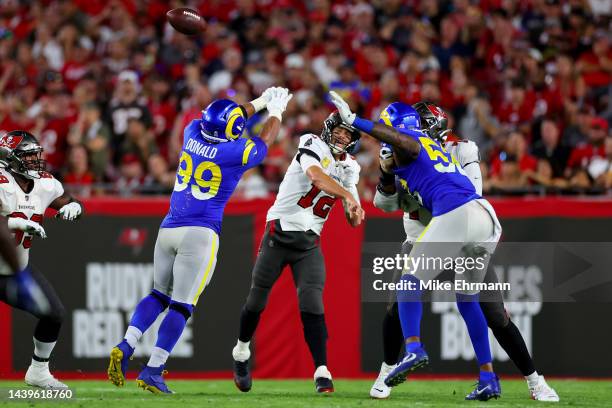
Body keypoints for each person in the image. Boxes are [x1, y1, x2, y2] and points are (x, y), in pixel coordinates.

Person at [108, 87, 293, 394]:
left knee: (157, 295)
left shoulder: (191, 131)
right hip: (200, 233)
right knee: (182, 305)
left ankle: (126, 344)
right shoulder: (234, 153)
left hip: (168, 228)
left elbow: (227, 118)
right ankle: (153, 369)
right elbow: (264, 141)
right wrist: (275, 111)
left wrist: (260, 102)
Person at [370, 102, 559, 402]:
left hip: (458, 230)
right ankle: (386, 371)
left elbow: (471, 192)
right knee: (395, 307)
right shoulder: (400, 152)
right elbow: (384, 205)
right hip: (420, 237)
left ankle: (535, 381)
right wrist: (386, 173)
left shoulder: (460, 149)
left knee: (495, 314)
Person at [330, 91, 502, 401]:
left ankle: (412, 348)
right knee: (467, 300)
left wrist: (356, 120)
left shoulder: (410, 143)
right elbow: (388, 193)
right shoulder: (427, 146)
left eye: (388, 134)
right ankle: (488, 376)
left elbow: (404, 143)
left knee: (409, 281)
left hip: (456, 212)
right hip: (484, 217)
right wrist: (386, 169)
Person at [232, 111, 364, 394]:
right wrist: (349, 196)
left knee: (312, 302)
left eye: (349, 134)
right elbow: (316, 177)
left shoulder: (351, 167)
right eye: (340, 131)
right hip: (278, 236)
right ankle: (241, 352)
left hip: (308, 243)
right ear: (329, 128)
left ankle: (322, 371)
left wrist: (354, 210)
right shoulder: (312, 143)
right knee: (256, 300)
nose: (343, 137)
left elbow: (352, 220)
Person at [0, 130, 83, 389]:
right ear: (10, 159)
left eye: (37, 154)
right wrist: (17, 223)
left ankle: (38, 371)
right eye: (28, 156)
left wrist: (75, 207)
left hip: (15, 270)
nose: (36, 160)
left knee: (54, 314)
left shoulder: (45, 184)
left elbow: (67, 201)